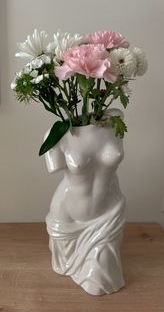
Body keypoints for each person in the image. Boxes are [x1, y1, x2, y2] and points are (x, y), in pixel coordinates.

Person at [45, 109, 126, 295]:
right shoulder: (57, 133)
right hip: (68, 219)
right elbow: (54, 167)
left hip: (107, 216)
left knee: (99, 284)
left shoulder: (115, 121)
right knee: (66, 271)